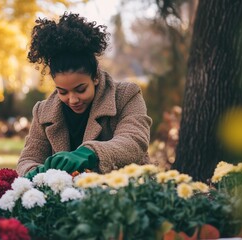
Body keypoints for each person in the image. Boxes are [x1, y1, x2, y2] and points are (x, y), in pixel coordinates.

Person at [16, 12, 152, 178]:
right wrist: (38, 174)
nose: (73, 100)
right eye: (62, 92)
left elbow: (134, 141)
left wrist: (88, 154)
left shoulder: (126, 95)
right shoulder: (42, 112)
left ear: (95, 77)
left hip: (121, 193)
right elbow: (28, 159)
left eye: (80, 89)